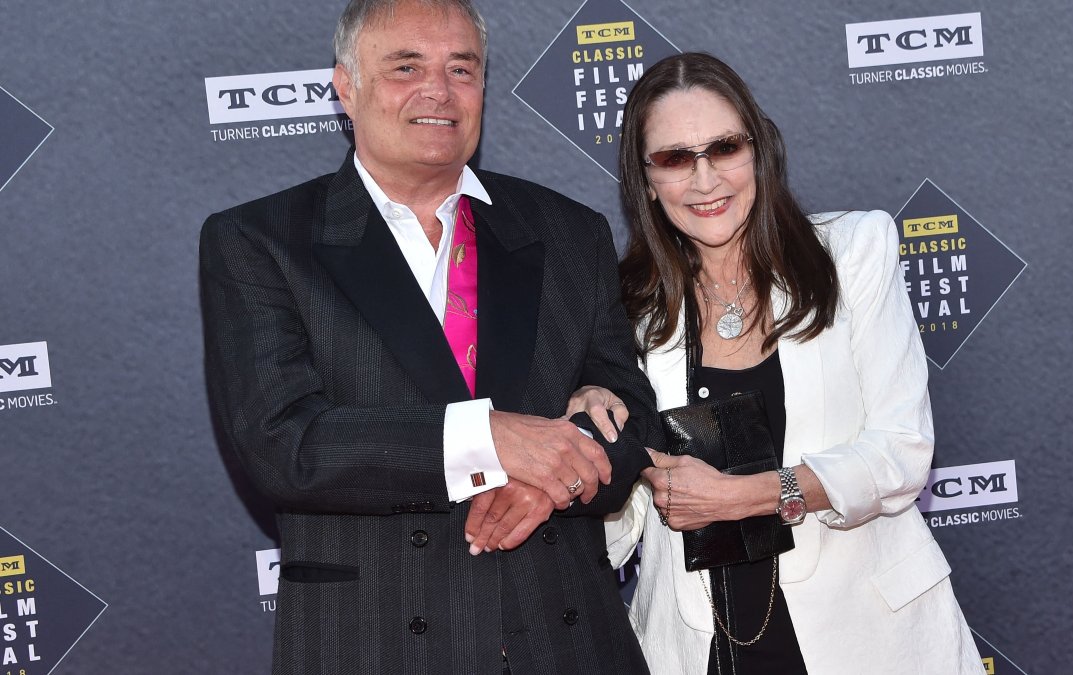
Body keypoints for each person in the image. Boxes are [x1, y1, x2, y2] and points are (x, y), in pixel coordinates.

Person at [199, 1, 659, 672]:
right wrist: (491, 437)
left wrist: (557, 473)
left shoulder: (567, 231)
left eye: (461, 68)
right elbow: (284, 444)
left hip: (566, 640)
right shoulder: (260, 241)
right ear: (346, 88)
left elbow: (632, 410)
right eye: (405, 66)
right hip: (373, 644)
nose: (438, 91)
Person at [575, 52, 983, 674]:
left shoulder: (851, 253)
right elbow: (623, 527)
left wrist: (746, 496)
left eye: (725, 148)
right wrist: (594, 452)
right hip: (700, 642)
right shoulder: (626, 310)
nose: (706, 180)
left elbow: (901, 453)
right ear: (646, 179)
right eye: (676, 158)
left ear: (759, 150)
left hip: (871, 636)